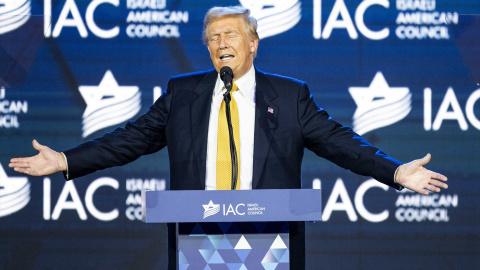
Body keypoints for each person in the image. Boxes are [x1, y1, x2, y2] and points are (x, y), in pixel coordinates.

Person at [9, 5, 448, 269]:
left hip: (271, 243)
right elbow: (131, 139)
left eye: (231, 34)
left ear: (253, 43)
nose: (222, 42)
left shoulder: (290, 96)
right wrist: (67, 160)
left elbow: (339, 142)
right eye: (213, 37)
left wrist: (393, 171)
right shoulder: (183, 94)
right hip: (198, 243)